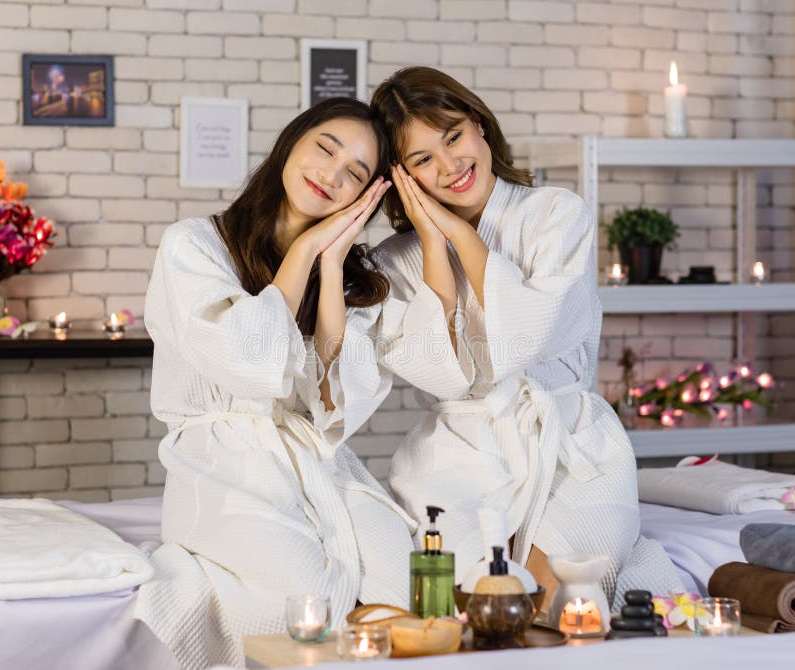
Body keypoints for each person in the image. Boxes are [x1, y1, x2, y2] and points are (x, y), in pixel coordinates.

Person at [370, 67, 683, 608]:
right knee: (471, 600)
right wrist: (431, 247)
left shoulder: (556, 215)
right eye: (422, 160)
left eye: (454, 137)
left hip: (572, 445)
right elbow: (445, 372)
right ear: (401, 176)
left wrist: (461, 236)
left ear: (480, 126)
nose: (450, 166)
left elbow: (533, 335)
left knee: (557, 596)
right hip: (456, 453)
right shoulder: (395, 262)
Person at [135, 98, 416, 670]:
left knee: (398, 571)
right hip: (222, 463)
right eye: (325, 149)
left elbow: (334, 402)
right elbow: (244, 355)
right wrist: (307, 248)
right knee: (301, 597)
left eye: (355, 175)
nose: (330, 176)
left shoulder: (355, 277)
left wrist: (333, 266)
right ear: (293, 141)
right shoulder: (194, 244)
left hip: (314, 461)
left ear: (366, 198)